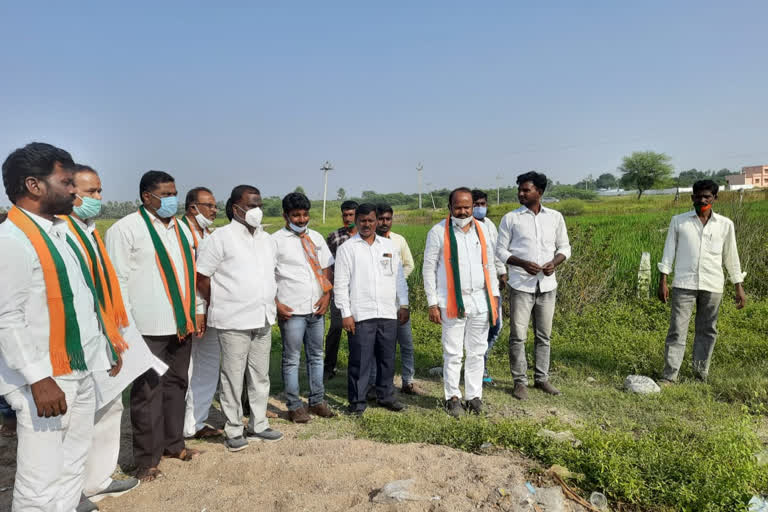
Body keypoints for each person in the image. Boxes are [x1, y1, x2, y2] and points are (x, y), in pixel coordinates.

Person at [0, 143, 118, 511]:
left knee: (71, 466)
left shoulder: (59, 233)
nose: (73, 190)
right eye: (66, 181)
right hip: (45, 381)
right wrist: (38, 379)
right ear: (34, 186)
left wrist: (104, 348)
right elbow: (6, 318)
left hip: (77, 369)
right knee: (40, 480)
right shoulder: (12, 241)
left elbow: (80, 302)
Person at [65, 164, 161, 504]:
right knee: (76, 422)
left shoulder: (89, 231)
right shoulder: (61, 232)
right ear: (68, 191)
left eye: (99, 191)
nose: (98, 198)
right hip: (76, 342)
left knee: (108, 408)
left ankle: (97, 480)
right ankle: (70, 491)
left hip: (105, 334)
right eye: (91, 192)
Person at [106, 170, 203, 482]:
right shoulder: (126, 230)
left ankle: (174, 444)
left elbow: (190, 273)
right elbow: (117, 281)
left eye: (175, 192)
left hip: (180, 322)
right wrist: (126, 327)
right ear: (147, 197)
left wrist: (196, 310)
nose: (172, 199)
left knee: (177, 385)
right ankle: (147, 460)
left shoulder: (181, 229)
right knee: (147, 391)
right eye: (165, 194)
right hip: (145, 326)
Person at [196, 185, 283, 452]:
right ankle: (233, 428)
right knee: (233, 376)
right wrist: (223, 300)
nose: (257, 210)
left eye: (260, 205)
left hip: (263, 317)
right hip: (233, 319)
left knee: (260, 375)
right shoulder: (219, 238)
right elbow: (202, 277)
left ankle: (258, 424)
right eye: (251, 205)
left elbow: (271, 276)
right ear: (236, 208)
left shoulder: (266, 239)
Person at [657, 179, 746, 383]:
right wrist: (663, 280)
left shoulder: (725, 225)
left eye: (707, 196)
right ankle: (670, 376)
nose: (702, 200)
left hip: (713, 285)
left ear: (715, 198)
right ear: (692, 198)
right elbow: (668, 252)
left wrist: (738, 286)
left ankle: (699, 375)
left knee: (707, 331)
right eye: (698, 196)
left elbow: (731, 257)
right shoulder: (679, 221)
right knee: (677, 330)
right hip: (683, 284)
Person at [423, 188, 500, 418]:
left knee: (477, 351)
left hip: (480, 300)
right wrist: (432, 303)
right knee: (453, 352)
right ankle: (452, 397)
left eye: (468, 206)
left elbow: (490, 265)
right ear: (450, 207)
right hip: (451, 302)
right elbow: (428, 269)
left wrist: (494, 296)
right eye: (459, 207)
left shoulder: (483, 229)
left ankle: (474, 396)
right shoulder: (438, 232)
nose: (464, 211)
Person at [496, 172, 571, 401]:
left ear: (539, 192)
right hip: (521, 284)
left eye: (526, 190)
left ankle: (542, 378)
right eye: (519, 189)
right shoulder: (511, 218)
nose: (521, 193)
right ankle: (520, 382)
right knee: (518, 336)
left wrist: (554, 263)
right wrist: (522, 263)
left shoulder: (555, 217)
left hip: (547, 285)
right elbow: (500, 251)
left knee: (544, 335)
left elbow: (565, 248)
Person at [334, 203, 410, 416]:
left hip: (388, 312)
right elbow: (340, 284)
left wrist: (403, 304)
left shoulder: (389, 247)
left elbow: (399, 279)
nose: (366, 225)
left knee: (387, 358)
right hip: (361, 314)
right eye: (362, 221)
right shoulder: (347, 248)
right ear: (356, 221)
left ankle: (386, 396)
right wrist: (346, 314)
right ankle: (357, 402)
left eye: (370, 220)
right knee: (360, 360)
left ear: (377, 221)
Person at [273, 192, 336, 423]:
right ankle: (294, 406)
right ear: (285, 216)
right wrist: (276, 303)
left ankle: (317, 400)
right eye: (296, 215)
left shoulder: (317, 237)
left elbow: (327, 266)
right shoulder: (275, 241)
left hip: (316, 308)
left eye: (304, 214)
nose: (301, 219)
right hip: (291, 310)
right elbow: (266, 275)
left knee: (316, 356)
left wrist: (327, 294)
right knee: (292, 358)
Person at [180, 186, 223, 440]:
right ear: (192, 207)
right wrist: (197, 308)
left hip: (210, 308)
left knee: (207, 367)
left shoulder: (210, 234)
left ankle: (196, 422)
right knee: (185, 368)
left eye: (215, 206)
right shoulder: (179, 233)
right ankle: (177, 421)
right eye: (209, 206)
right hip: (188, 309)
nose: (214, 210)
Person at [372, 203, 422, 395]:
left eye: (388, 219)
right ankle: (381, 382)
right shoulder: (370, 242)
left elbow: (409, 264)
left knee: (406, 343)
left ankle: (408, 381)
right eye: (381, 219)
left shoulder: (399, 240)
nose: (384, 223)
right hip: (380, 303)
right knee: (383, 346)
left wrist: (397, 279)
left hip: (399, 300)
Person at [471, 190, 508, 386]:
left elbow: (495, 252)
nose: (479, 207)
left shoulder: (490, 225)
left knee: (496, 326)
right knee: (477, 327)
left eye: (482, 203)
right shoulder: (464, 227)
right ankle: (478, 367)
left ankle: (478, 361)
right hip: (473, 286)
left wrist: (502, 272)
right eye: (476, 204)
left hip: (491, 283)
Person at [323, 200, 359, 380]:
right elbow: (326, 265)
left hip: (360, 291)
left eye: (351, 215)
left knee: (359, 330)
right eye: (345, 215)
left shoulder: (366, 236)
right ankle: (329, 367)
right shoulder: (334, 236)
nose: (348, 218)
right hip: (339, 290)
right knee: (336, 328)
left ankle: (358, 366)